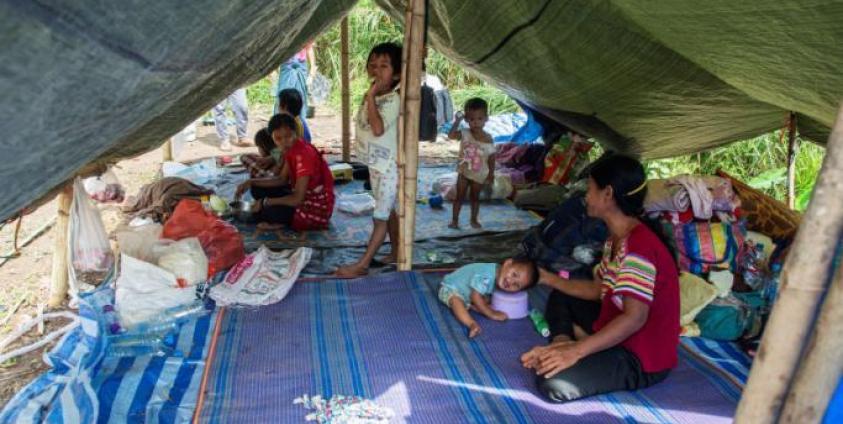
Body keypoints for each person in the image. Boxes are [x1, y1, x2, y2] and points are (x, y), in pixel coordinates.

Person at [521, 154, 679, 403]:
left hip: (639, 355)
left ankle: (578, 345)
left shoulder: (639, 248)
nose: (586, 196)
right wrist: (548, 278)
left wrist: (577, 352)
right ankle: (563, 341)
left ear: (608, 194)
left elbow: (635, 318)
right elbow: (599, 289)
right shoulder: (616, 237)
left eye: (591, 189)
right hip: (615, 325)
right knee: (563, 293)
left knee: (553, 383)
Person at [335, 42, 402, 278]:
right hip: (376, 165)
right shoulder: (375, 97)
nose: (376, 70)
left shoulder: (392, 99)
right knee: (390, 211)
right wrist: (371, 96)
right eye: (373, 65)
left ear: (396, 74)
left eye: (384, 66)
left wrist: (371, 95)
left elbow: (377, 128)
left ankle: (363, 264)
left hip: (388, 168)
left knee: (380, 216)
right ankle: (395, 252)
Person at [235, 113, 334, 231]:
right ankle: (276, 215)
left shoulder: (303, 154)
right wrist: (250, 181)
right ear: (272, 138)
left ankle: (282, 222)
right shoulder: (290, 149)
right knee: (257, 188)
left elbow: (297, 199)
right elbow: (281, 179)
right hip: (300, 196)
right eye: (278, 138)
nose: (283, 142)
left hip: (315, 209)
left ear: (295, 133)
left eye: (288, 136)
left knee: (266, 212)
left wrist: (265, 202)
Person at [439, 258, 538, 338]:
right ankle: (471, 323)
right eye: (514, 274)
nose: (510, 281)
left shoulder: (499, 275)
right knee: (456, 301)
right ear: (507, 263)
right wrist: (491, 313)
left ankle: (474, 306)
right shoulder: (487, 274)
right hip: (451, 288)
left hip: (468, 294)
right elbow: (475, 295)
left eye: (516, 285)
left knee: (486, 299)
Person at [448, 98, 495, 229]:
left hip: (480, 174)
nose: (476, 123)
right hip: (464, 172)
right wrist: (457, 121)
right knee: (459, 197)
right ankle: (454, 220)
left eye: (480, 119)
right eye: (472, 119)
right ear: (467, 120)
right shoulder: (464, 133)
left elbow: (491, 157)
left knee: (475, 198)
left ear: (486, 119)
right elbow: (451, 135)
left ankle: (474, 220)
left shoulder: (488, 138)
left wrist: (491, 174)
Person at [274, 43, 316, 128]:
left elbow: (309, 47)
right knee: (283, 96)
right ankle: (279, 126)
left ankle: (300, 127)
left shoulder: (305, 31)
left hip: (301, 65)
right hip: (286, 64)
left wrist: (312, 72)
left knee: (301, 97)